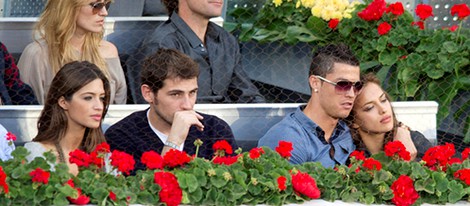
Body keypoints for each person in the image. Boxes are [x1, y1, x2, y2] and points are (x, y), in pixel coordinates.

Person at [106, 48, 238, 173]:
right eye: (176, 94)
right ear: (148, 94)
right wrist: (174, 141)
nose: (187, 105)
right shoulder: (121, 135)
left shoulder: (215, 128)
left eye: (192, 93)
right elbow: (142, 192)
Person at [126, 0, 265, 103]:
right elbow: (153, 108)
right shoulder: (160, 44)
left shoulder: (226, 40)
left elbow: (246, 94)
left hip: (222, 131)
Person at [258, 44, 362, 168]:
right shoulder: (287, 138)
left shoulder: (346, 130)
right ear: (315, 83)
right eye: (343, 85)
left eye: (357, 86)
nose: (351, 94)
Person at [18, 0, 127, 105]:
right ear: (69, 7)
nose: (104, 12)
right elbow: (27, 110)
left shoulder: (108, 51)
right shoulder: (37, 54)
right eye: (96, 5)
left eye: (106, 5)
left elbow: (119, 107)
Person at [24, 61, 111, 176]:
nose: (99, 106)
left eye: (102, 98)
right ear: (63, 102)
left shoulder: (104, 157)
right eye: (88, 98)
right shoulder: (37, 154)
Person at [345, 73, 433, 161]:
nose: (383, 109)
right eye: (370, 108)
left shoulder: (415, 140)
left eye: (383, 100)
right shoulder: (346, 154)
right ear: (353, 121)